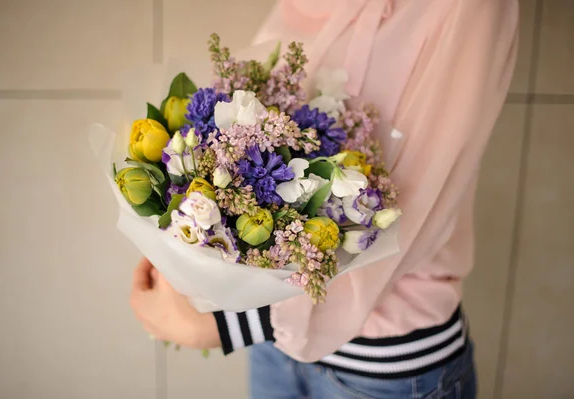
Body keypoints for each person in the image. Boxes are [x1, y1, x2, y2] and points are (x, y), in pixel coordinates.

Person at [129, 0, 519, 397]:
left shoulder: (467, 9)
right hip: (272, 346)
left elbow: (419, 202)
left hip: (383, 365)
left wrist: (234, 323)